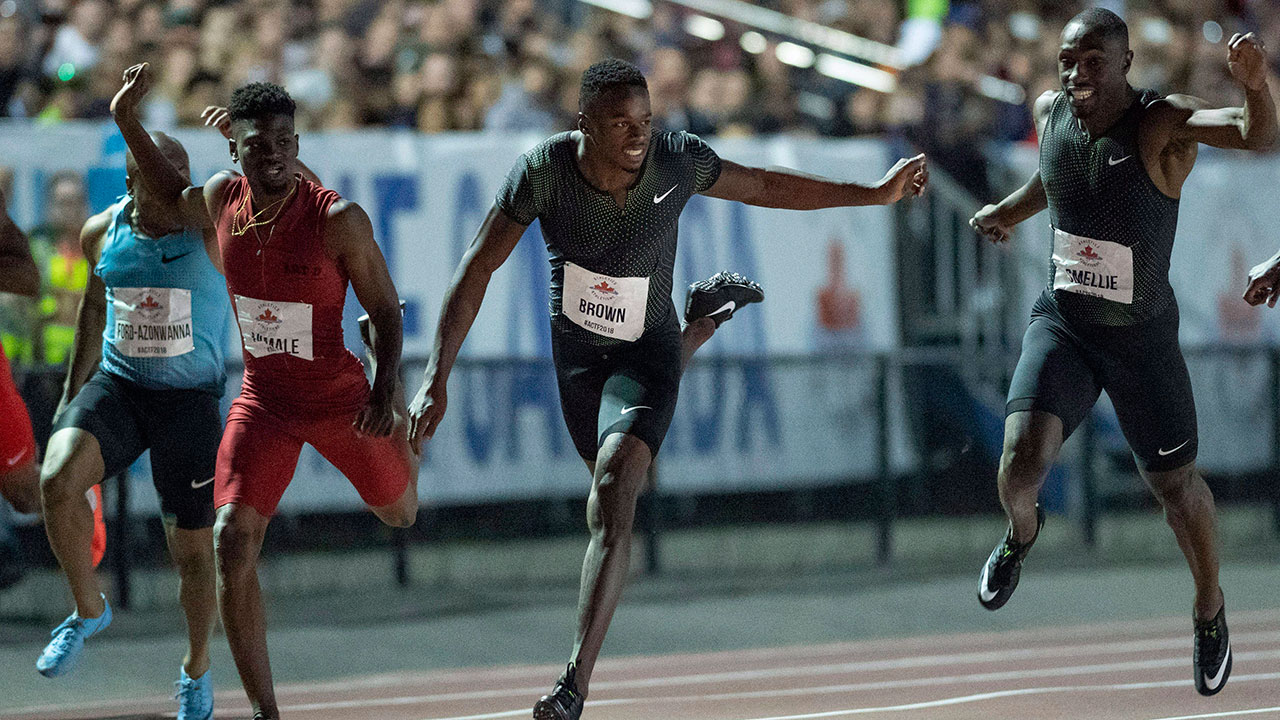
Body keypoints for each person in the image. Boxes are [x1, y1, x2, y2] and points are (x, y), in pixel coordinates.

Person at [408, 58, 927, 720]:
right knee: (609, 483)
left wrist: (874, 193)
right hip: (577, 360)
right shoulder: (545, 172)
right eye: (619, 124)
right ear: (584, 126)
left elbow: (766, 185)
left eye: (645, 122)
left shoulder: (676, 160)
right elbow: (477, 266)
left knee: (615, 487)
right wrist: (435, 378)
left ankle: (574, 683)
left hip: (645, 351)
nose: (636, 136)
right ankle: (701, 325)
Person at [969, 9, 1275, 698]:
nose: (1077, 73)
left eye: (1093, 61)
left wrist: (1255, 85)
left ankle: (1209, 608)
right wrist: (1007, 214)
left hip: (1141, 340)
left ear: (1126, 63)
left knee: (1176, 492)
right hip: (1066, 325)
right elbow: (1057, 177)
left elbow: (1260, 135)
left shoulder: (1161, 122)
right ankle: (1022, 535)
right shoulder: (1052, 111)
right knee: (1018, 468)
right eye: (1068, 60)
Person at [111, 63, 419, 720]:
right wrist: (126, 120)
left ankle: (389, 404)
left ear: (298, 145)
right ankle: (264, 711)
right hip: (266, 402)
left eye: (284, 141)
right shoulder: (223, 200)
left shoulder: (340, 220)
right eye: (256, 144)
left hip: (341, 398)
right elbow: (166, 195)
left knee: (403, 514)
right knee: (232, 539)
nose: (272, 153)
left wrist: (383, 386)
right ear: (236, 149)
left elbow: (388, 311)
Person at [32, 131, 230, 719]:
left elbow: (256, 199)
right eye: (165, 177)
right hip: (120, 387)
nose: (180, 190)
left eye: (185, 178)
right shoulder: (102, 232)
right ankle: (89, 608)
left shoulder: (207, 232)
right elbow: (96, 306)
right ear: (132, 182)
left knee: (192, 554)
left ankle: (196, 667)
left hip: (189, 400)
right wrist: (73, 396)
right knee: (56, 480)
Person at [0, 186, 105, 588]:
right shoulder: (47, 246)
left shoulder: (92, 242)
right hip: (39, 371)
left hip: (76, 374)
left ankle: (79, 497)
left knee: (26, 492)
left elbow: (27, 280)